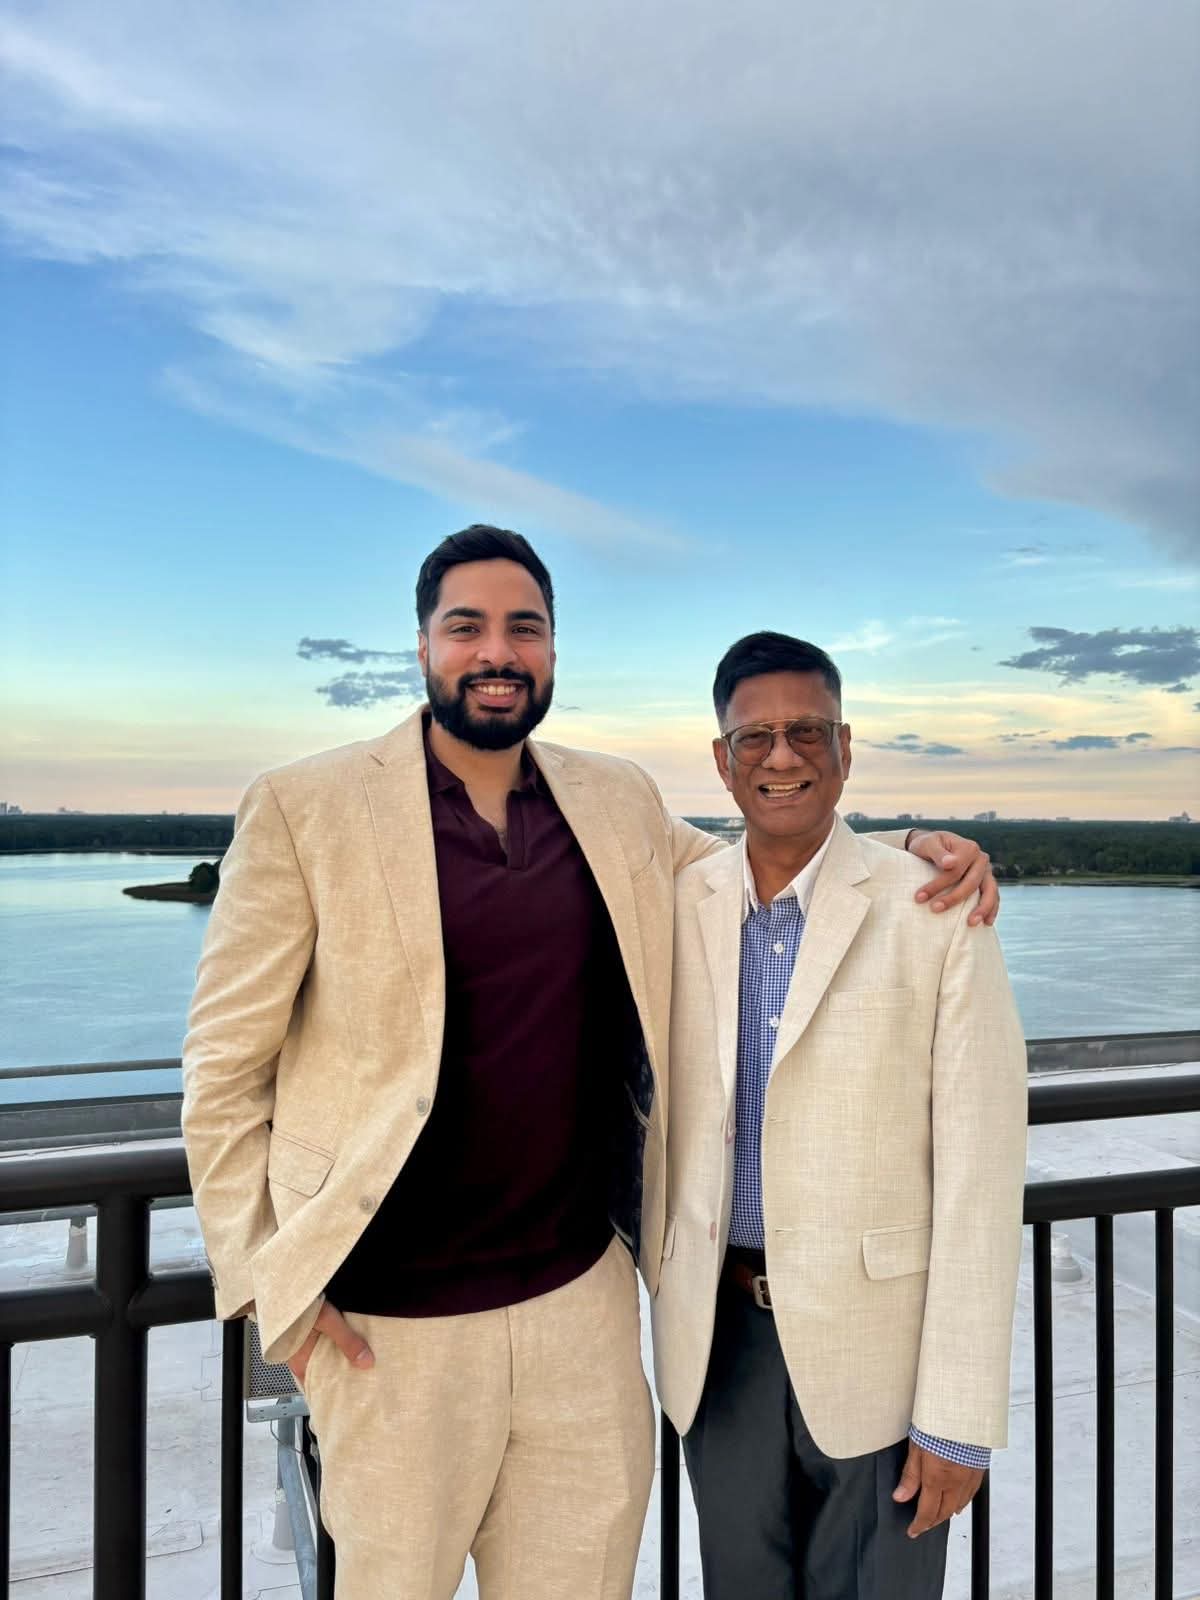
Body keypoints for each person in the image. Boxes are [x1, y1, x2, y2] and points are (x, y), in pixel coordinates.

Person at [182, 532, 997, 1600]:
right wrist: (271, 1290)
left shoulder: (612, 801)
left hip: (584, 1314)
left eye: (524, 628)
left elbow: (767, 855)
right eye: (467, 626)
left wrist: (918, 846)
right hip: (392, 1332)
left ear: (554, 650)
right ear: (423, 646)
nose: (497, 651)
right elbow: (223, 1069)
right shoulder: (306, 806)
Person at [652, 631, 1028, 1600]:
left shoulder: (936, 907)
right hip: (718, 1349)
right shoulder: (679, 902)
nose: (782, 756)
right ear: (723, 760)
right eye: (756, 736)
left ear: (846, 747)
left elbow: (983, 1175)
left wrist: (956, 1417)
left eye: (808, 732)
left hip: (882, 1360)